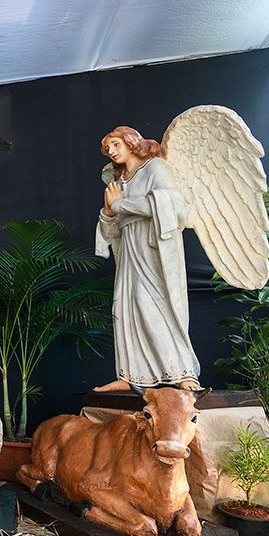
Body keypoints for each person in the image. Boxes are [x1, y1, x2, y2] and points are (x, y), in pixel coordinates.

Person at [93, 126, 202, 392]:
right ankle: (132, 375)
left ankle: (183, 372)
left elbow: (173, 207)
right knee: (125, 308)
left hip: (154, 248)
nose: (112, 151)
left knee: (155, 306)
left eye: (116, 144)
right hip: (130, 250)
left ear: (131, 142)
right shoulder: (120, 181)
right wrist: (108, 213)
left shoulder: (155, 168)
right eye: (108, 149)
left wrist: (120, 205)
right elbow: (112, 229)